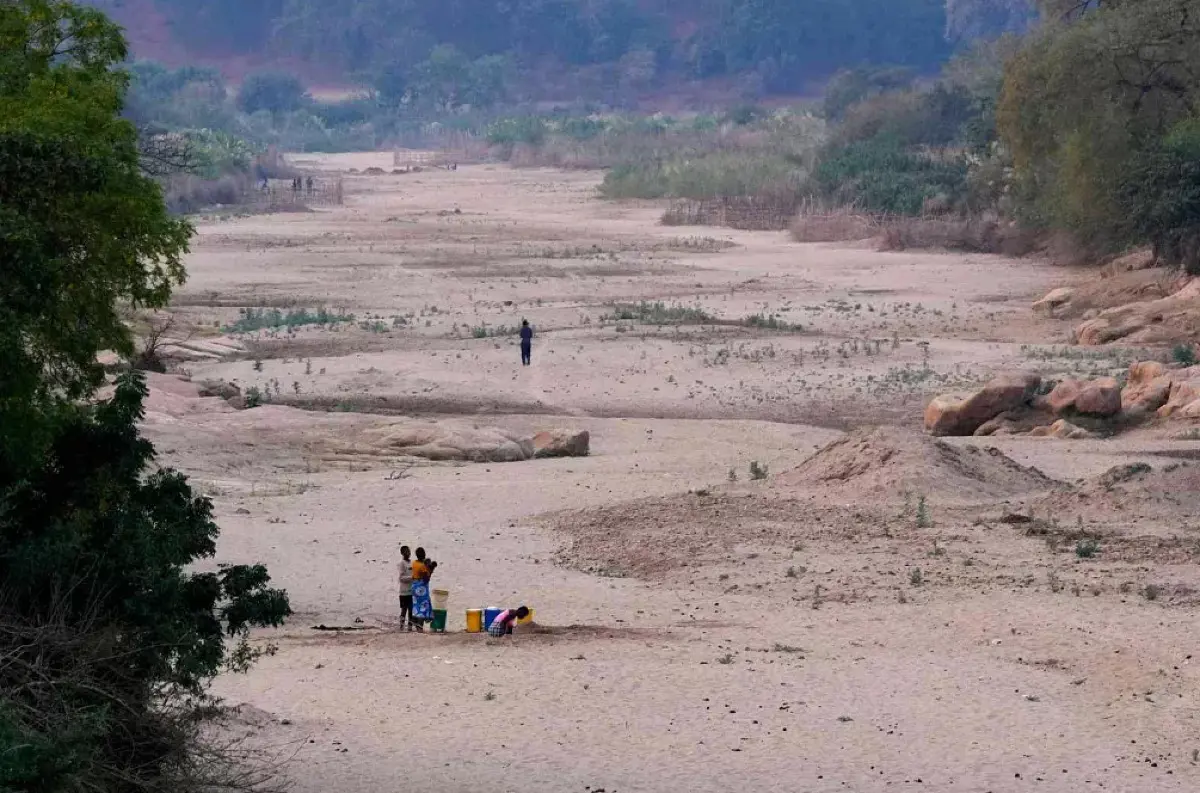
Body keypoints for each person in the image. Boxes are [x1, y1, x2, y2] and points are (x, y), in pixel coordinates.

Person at [409, 547, 433, 631]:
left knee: (416, 607)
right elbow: (426, 579)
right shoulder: (422, 566)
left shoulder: (414, 563)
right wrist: (430, 570)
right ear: (424, 555)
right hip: (421, 589)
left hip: (414, 587)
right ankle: (420, 627)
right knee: (422, 608)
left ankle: (416, 626)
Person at [397, 545, 413, 630]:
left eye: (409, 551)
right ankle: (401, 626)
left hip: (411, 591)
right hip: (404, 592)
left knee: (411, 610)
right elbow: (401, 578)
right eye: (406, 551)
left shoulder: (411, 563)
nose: (408, 553)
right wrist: (411, 578)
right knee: (404, 610)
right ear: (402, 553)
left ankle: (410, 627)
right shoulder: (402, 563)